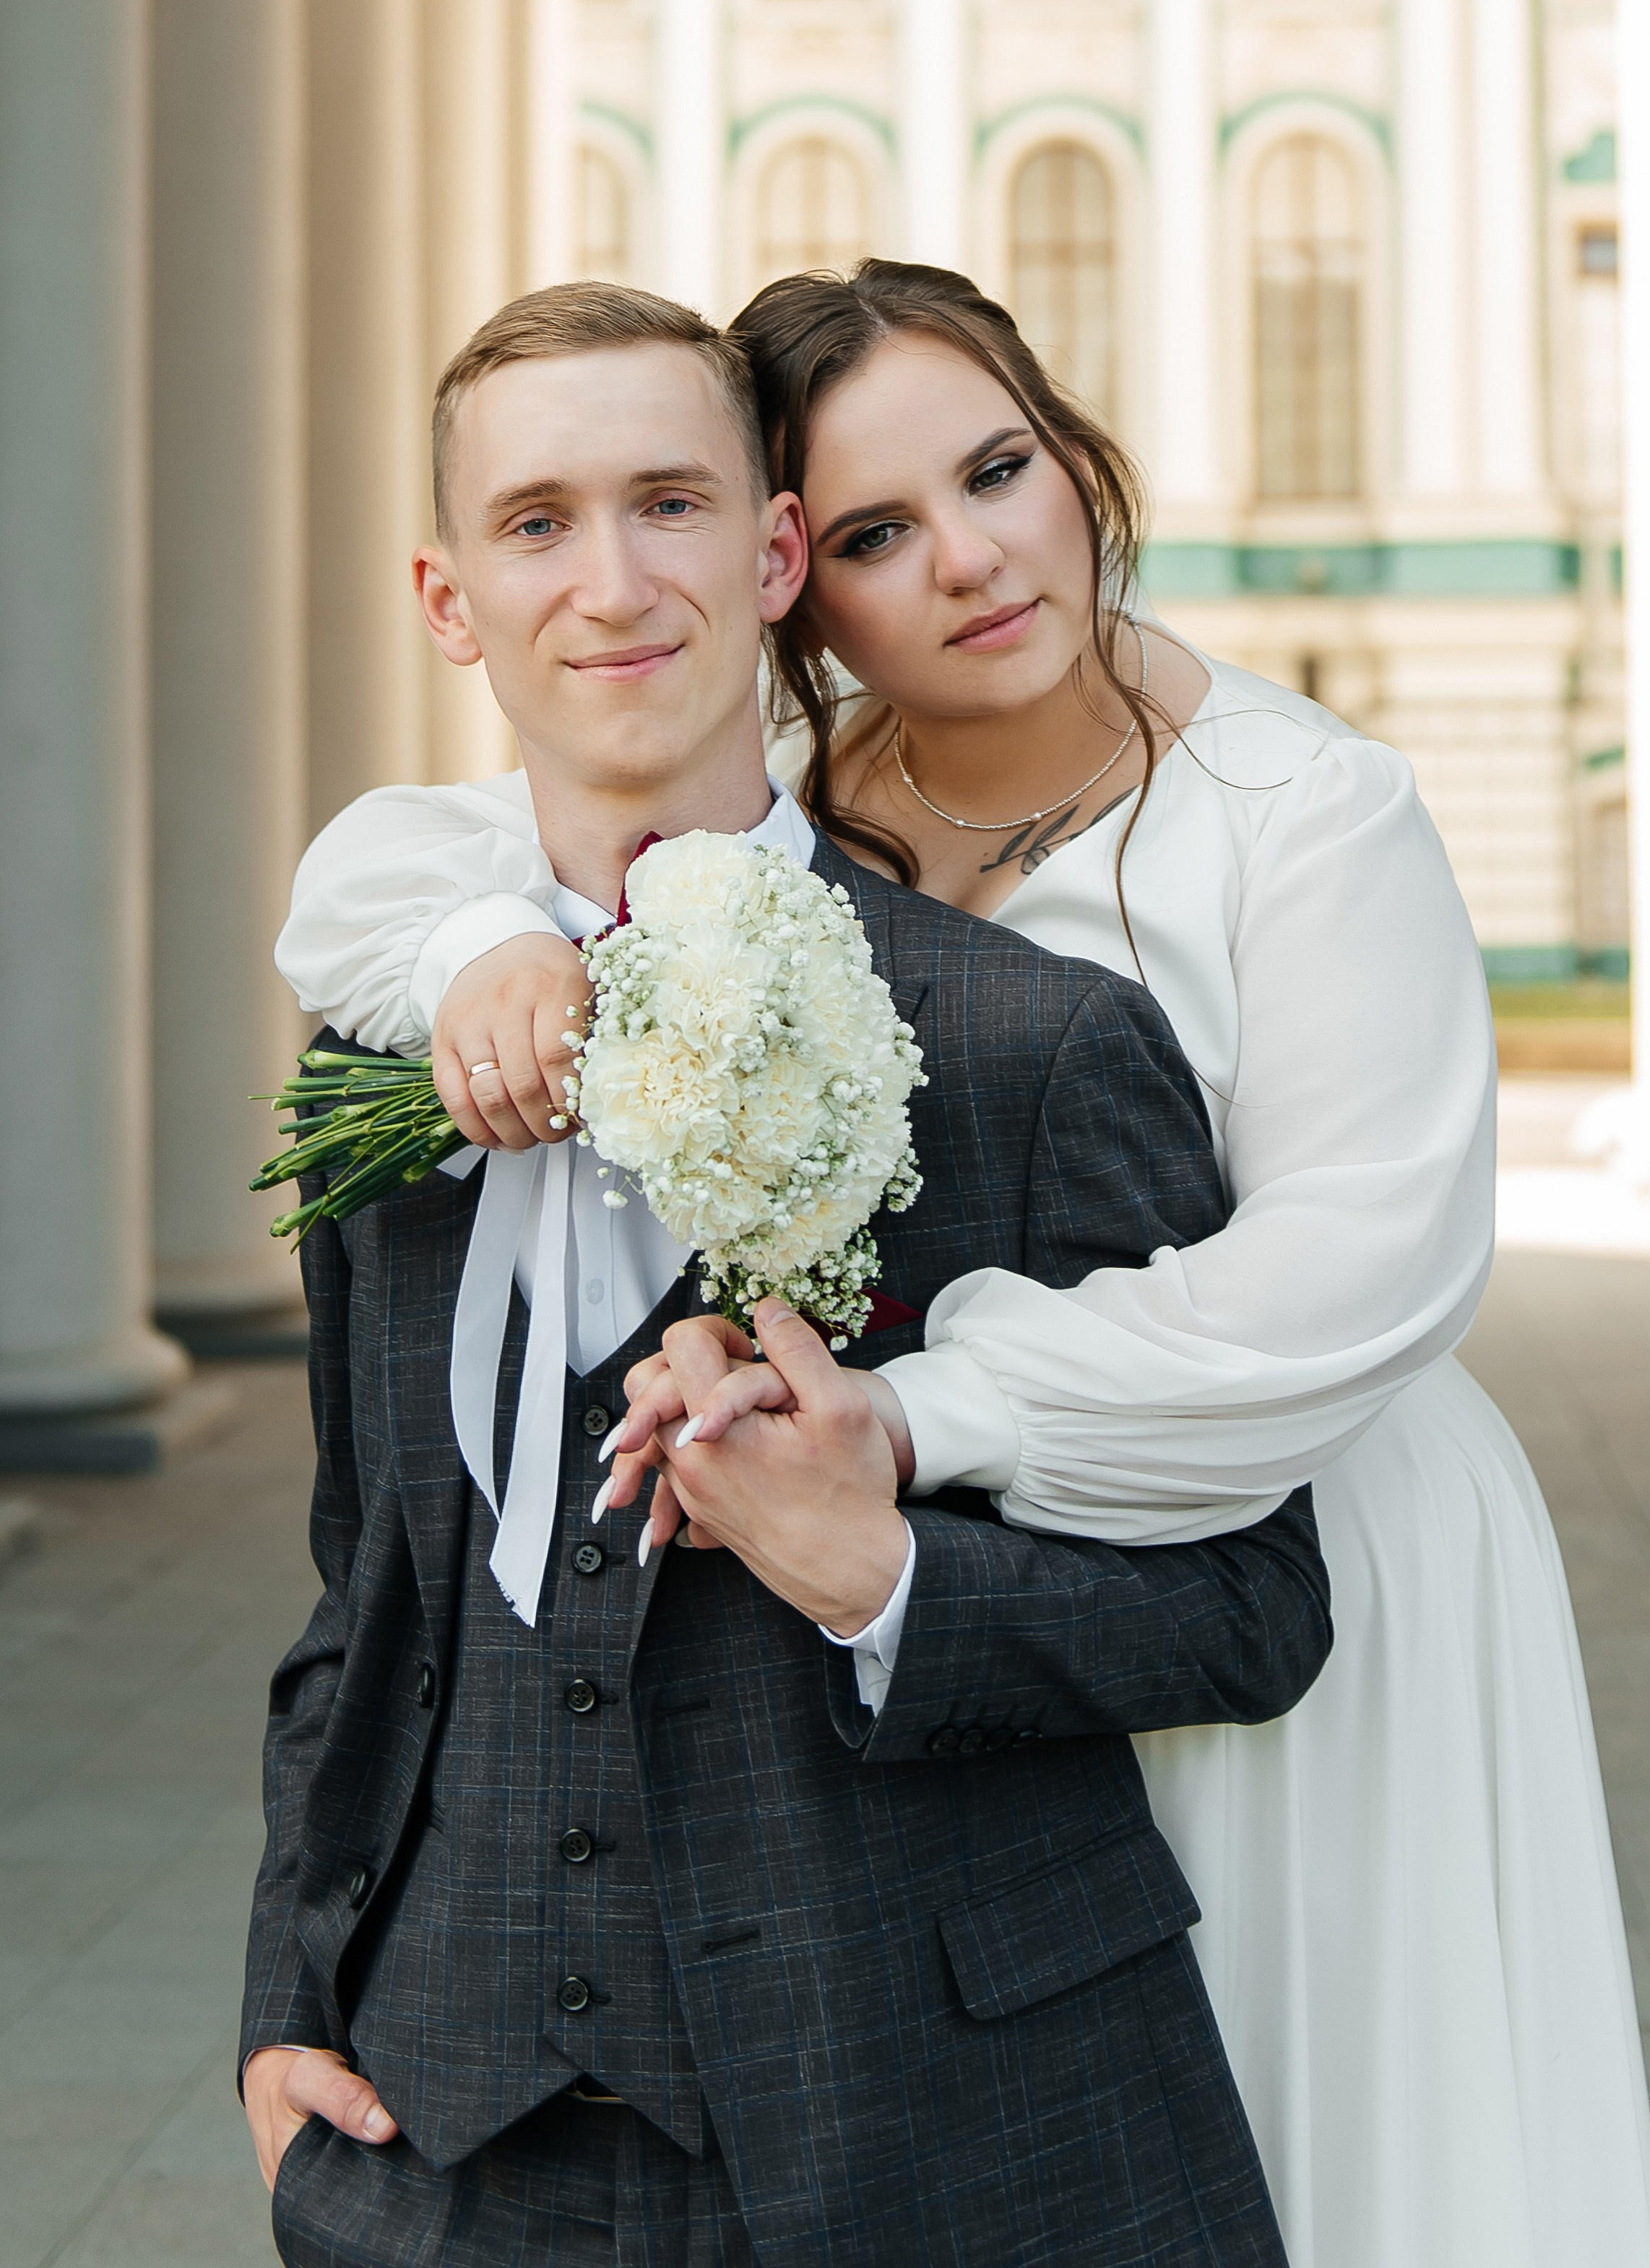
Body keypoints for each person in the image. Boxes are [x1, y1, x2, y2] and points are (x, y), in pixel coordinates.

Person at [279, 258, 1650, 2268]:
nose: (970, 561)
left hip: (1285, 1474)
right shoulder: (800, 810)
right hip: (907, 1736)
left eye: (997, 471)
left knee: (1308, 2118)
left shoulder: (1300, 813)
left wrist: (900, 1442)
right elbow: (418, 854)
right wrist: (473, 951)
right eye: (872, 534)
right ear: (798, 580)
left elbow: (1346, 1284)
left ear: (1071, 454)